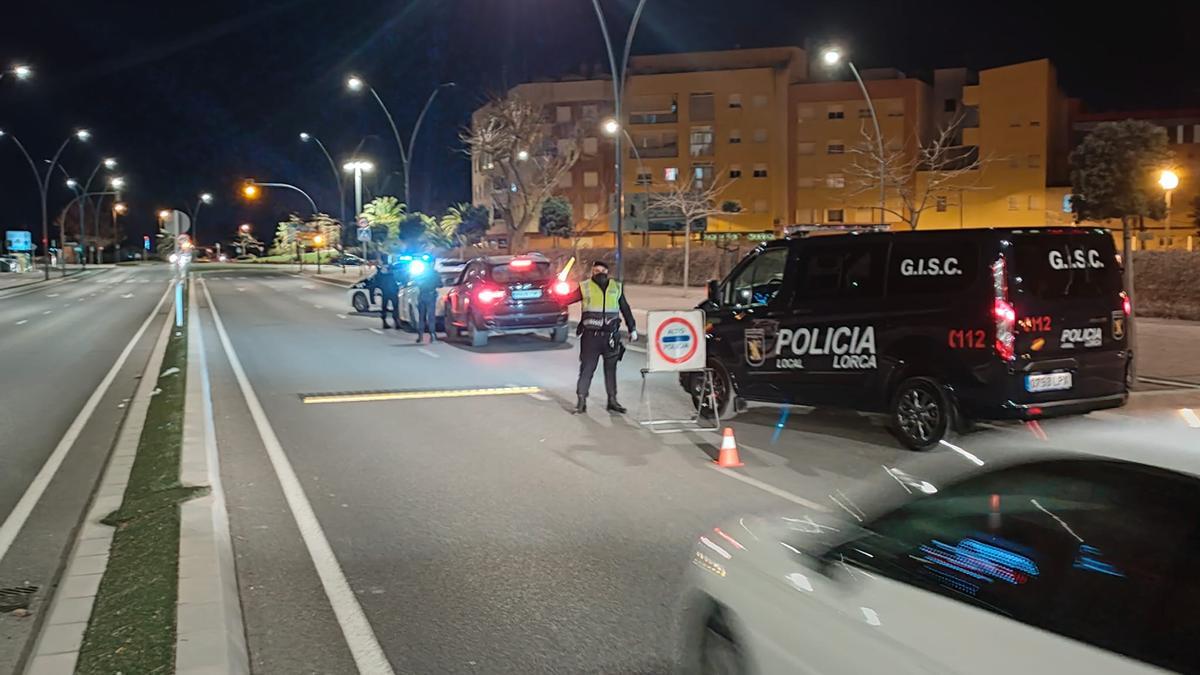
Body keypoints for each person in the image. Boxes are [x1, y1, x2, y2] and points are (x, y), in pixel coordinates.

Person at [563, 260, 637, 414]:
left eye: (600, 270)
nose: (598, 273)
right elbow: (566, 299)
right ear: (592, 272)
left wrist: (632, 328)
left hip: (611, 336)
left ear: (606, 272)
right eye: (595, 270)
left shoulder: (616, 287)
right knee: (587, 369)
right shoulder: (585, 287)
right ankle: (581, 401)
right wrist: (556, 293)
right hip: (591, 336)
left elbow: (625, 308)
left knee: (611, 370)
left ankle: (612, 400)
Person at [413, 260, 441, 343]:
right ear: (432, 264)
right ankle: (432, 335)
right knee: (431, 316)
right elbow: (440, 284)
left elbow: (416, 282)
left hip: (422, 295)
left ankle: (420, 335)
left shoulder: (421, 273)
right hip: (431, 295)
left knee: (421, 316)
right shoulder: (435, 273)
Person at [375, 261, 401, 329]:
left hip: (385, 291)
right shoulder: (391, 269)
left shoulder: (381, 271)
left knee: (384, 307)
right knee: (395, 307)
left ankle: (385, 322)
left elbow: (377, 281)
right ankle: (396, 323)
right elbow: (397, 279)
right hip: (392, 291)